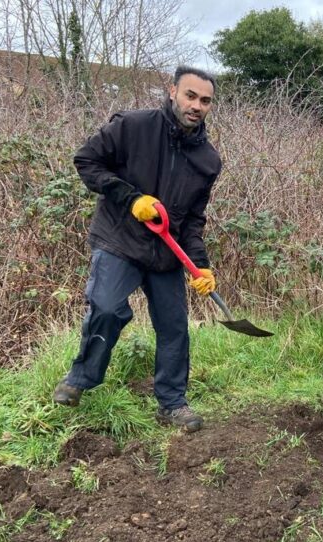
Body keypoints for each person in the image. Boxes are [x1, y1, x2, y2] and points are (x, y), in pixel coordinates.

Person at [52, 66, 222, 433]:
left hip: (165, 255)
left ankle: (172, 404)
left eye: (205, 100)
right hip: (120, 239)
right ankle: (81, 378)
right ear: (173, 91)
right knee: (108, 308)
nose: (196, 105)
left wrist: (201, 266)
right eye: (190, 96)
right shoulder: (133, 126)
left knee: (175, 327)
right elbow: (87, 161)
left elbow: (192, 220)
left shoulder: (208, 160)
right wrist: (130, 198)